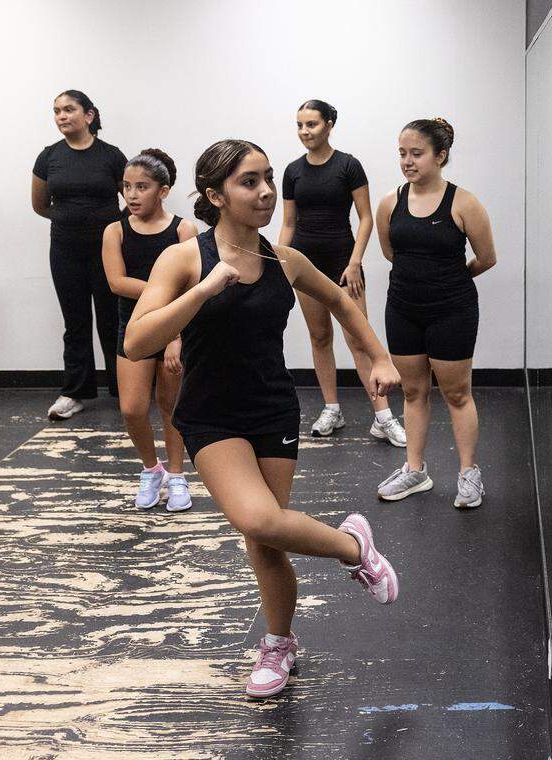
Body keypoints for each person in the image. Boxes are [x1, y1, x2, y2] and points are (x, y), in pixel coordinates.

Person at [124, 139, 401, 699]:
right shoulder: (183, 258)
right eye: (249, 182)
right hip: (210, 415)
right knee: (259, 520)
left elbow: (344, 302)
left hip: (272, 407)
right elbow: (136, 341)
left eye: (268, 179)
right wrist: (205, 288)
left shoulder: (284, 260)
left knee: (266, 543)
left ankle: (278, 644)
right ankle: (355, 548)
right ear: (214, 195)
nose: (267, 192)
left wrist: (381, 358)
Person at [374, 118, 497, 509]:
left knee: (457, 394)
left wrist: (449, 282)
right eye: (402, 154)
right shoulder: (389, 203)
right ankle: (415, 470)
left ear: (440, 156)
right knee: (413, 391)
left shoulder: (463, 203)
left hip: (452, 310)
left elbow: (486, 258)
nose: (407, 162)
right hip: (404, 308)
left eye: (416, 154)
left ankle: (468, 473)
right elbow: (392, 254)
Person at [280, 99, 405, 444]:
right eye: (300, 125)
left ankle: (382, 416)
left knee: (357, 338)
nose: (305, 132)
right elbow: (289, 223)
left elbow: (365, 217)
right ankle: (331, 408)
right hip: (305, 262)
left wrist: (354, 262)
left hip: (342, 261)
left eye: (312, 124)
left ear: (330, 124)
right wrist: (281, 263)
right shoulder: (292, 171)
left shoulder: (348, 166)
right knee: (320, 337)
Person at [102, 149, 198, 511]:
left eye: (142, 187)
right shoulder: (115, 230)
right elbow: (116, 282)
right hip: (135, 326)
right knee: (132, 408)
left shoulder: (183, 229)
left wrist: (176, 335)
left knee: (171, 404)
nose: (132, 194)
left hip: (175, 326)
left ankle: (176, 475)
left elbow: (192, 285)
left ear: (163, 190)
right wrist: (163, 289)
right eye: (127, 186)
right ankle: (150, 468)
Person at [31, 90, 126, 420]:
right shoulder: (49, 157)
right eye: (56, 110)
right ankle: (75, 393)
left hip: (108, 251)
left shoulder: (111, 156)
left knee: (112, 320)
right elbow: (40, 205)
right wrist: (73, 220)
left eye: (68, 109)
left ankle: (124, 388)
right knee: (76, 322)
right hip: (65, 250)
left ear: (89, 115)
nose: (61, 116)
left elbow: (132, 196)